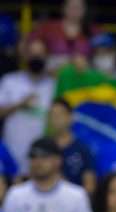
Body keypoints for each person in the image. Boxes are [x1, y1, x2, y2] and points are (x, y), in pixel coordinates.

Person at [0, 38, 55, 175]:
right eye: (32, 54)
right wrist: (20, 104)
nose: (36, 58)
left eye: (40, 54)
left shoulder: (54, 84)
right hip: (13, 153)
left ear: (47, 56)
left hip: (43, 158)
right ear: (25, 56)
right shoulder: (10, 81)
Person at [28, 0, 98, 71]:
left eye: (78, 7)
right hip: (52, 71)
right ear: (63, 8)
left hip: (84, 72)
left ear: (84, 10)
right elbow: (28, 46)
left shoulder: (93, 30)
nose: (75, 10)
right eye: (71, 7)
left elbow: (104, 55)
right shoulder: (48, 27)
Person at [48, 98, 97, 194]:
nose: (56, 119)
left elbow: (90, 186)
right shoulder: (43, 146)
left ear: (70, 117)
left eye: (59, 114)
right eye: (52, 115)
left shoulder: (83, 148)